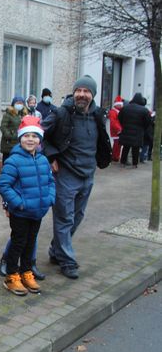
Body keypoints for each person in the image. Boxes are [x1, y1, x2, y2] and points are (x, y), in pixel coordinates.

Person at [41, 75, 111, 279]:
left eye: (86, 91)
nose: (81, 94)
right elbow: (39, 134)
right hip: (65, 174)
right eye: (78, 90)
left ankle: (57, 250)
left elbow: (101, 140)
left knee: (77, 217)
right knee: (64, 218)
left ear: (92, 95)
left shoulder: (98, 115)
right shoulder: (62, 113)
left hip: (88, 174)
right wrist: (51, 156)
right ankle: (67, 261)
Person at [0, 117, 55, 295]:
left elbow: (51, 182)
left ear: (39, 140)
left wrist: (49, 199)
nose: (30, 139)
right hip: (21, 213)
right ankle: (12, 276)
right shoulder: (14, 161)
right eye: (26, 135)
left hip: (37, 211)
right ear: (20, 138)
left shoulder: (43, 160)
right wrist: (19, 203)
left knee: (31, 243)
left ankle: (26, 272)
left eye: (34, 136)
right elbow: (4, 185)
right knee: (19, 243)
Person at [118, 92, 152, 169]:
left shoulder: (126, 108)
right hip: (138, 132)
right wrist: (142, 127)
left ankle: (122, 162)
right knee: (135, 149)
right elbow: (148, 122)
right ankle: (134, 164)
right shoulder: (144, 110)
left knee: (125, 147)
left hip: (126, 130)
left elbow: (120, 117)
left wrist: (124, 125)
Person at [0, 96, 28, 163]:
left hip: (20, 143)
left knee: (18, 162)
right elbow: (3, 127)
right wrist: (12, 135)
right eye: (18, 103)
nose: (19, 105)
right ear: (14, 104)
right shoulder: (8, 114)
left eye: (21, 103)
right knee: (8, 162)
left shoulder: (24, 114)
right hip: (9, 144)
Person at [107, 95, 123, 162]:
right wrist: (119, 129)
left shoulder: (117, 111)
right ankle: (115, 156)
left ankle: (116, 156)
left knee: (118, 145)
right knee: (117, 145)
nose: (121, 106)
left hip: (118, 130)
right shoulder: (113, 112)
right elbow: (113, 122)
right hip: (116, 131)